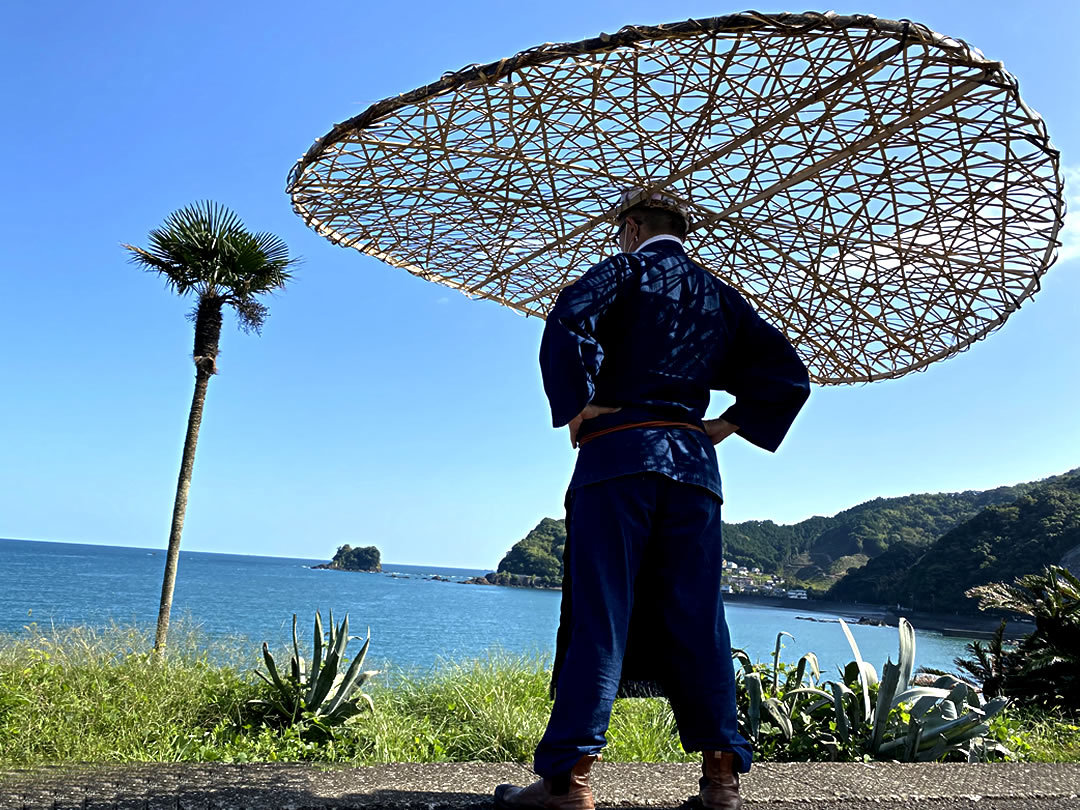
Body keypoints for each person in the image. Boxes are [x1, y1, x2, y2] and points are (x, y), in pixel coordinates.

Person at [494, 188, 810, 810]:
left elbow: (568, 317)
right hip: (694, 467)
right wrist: (728, 423)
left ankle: (568, 783)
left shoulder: (626, 268)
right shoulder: (720, 296)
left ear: (633, 227)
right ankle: (722, 782)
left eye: (622, 232)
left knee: (601, 612)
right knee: (700, 616)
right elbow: (787, 372)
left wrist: (578, 404)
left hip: (619, 458)